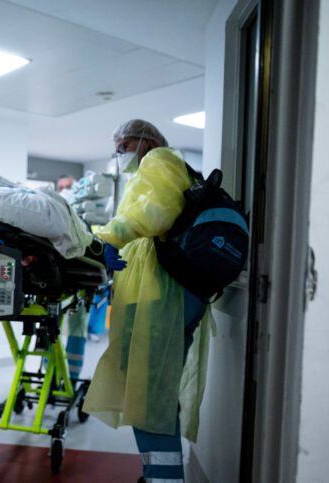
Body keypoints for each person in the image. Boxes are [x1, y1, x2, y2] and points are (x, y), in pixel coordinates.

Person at [83, 120, 213, 483]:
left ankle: (164, 478)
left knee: (146, 394)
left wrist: (105, 238)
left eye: (124, 146)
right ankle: (159, 473)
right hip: (171, 295)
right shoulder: (170, 168)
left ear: (145, 141)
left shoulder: (159, 160)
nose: (120, 155)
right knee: (156, 390)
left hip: (161, 296)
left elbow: (153, 213)